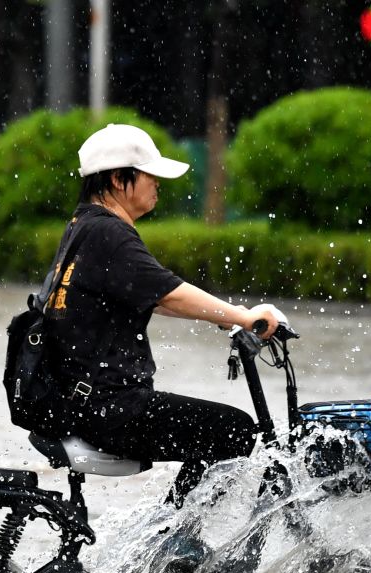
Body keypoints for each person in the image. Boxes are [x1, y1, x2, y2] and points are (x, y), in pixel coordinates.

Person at [44, 123, 281, 506]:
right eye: (150, 176)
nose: (157, 184)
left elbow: (149, 295)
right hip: (109, 407)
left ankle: (170, 535)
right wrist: (243, 316)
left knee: (217, 429)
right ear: (121, 180)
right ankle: (175, 541)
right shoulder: (109, 233)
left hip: (81, 402)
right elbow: (168, 292)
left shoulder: (82, 225)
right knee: (234, 431)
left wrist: (219, 315)